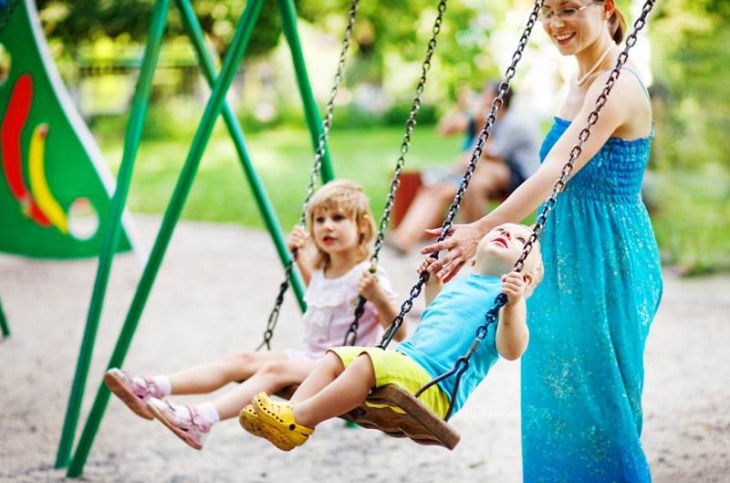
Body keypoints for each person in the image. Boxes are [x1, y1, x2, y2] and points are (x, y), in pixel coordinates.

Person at [420, 1, 663, 480]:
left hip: (607, 258)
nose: (555, 23)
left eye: (568, 9)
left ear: (606, 8)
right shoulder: (580, 78)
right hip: (561, 249)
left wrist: (480, 228)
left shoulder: (618, 83)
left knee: (599, 400)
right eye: (547, 10)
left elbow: (554, 172)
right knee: (552, 393)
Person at [104, 179, 403, 450]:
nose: (327, 226)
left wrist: (377, 297)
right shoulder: (322, 268)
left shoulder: (369, 275)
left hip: (338, 369)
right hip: (309, 356)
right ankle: (151, 388)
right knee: (241, 360)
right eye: (319, 219)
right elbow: (322, 294)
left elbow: (399, 332)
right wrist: (300, 259)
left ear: (362, 225)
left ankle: (201, 418)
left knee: (273, 371)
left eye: (338, 218)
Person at [238, 223, 544, 452]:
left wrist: (513, 304)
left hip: (433, 386)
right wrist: (433, 284)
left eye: (520, 241)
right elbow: (436, 320)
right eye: (500, 230)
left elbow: (512, 349)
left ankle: (301, 418)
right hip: (407, 364)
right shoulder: (461, 285)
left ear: (526, 278)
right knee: (337, 356)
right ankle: (288, 417)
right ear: (474, 259)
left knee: (368, 360)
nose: (507, 234)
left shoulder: (507, 300)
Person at [386, 81, 541, 255]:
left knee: (470, 184)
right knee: (434, 190)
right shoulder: (486, 117)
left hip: (515, 173)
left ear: (498, 99)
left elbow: (492, 154)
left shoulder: (515, 123)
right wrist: (460, 107)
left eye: (485, 94)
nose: (481, 98)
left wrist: (461, 164)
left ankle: (473, 239)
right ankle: (404, 237)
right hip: (477, 172)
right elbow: (445, 131)